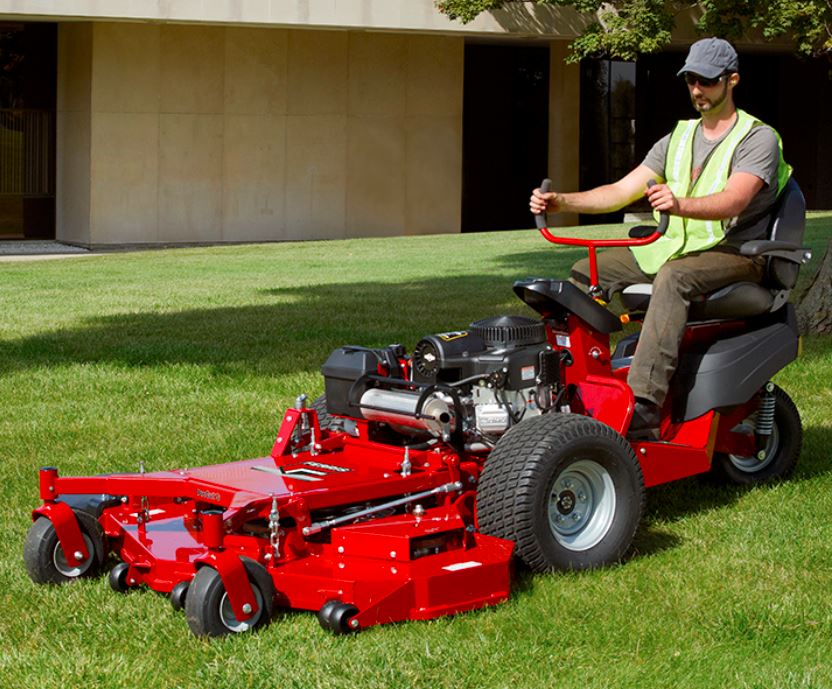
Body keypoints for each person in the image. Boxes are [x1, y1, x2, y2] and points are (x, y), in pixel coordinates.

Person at [530, 37, 792, 436]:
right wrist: (561, 200)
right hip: (676, 249)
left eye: (706, 81)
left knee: (675, 279)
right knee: (586, 271)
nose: (697, 90)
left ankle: (645, 405)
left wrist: (678, 203)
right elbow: (621, 190)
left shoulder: (758, 138)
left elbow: (734, 201)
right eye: (690, 80)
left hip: (740, 254)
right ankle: (570, 384)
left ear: (732, 80)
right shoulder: (679, 138)